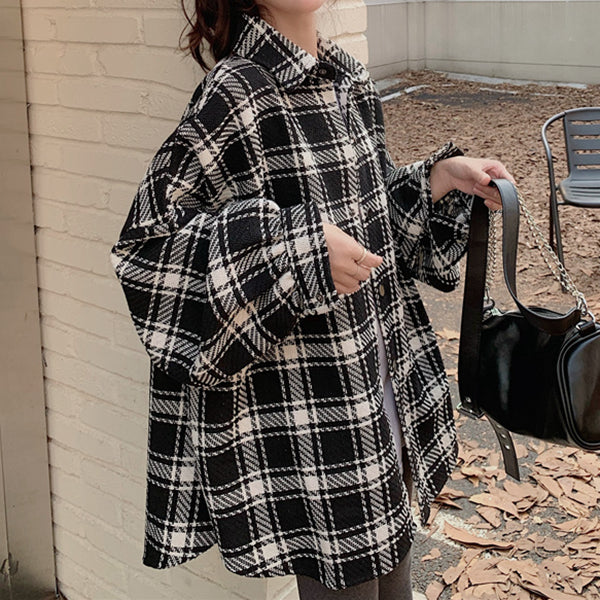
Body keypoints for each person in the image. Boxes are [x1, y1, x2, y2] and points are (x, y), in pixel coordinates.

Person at [110, 1, 513, 598]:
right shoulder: (237, 92)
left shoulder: (349, 79)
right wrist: (293, 250)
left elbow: (370, 224)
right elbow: (145, 251)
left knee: (397, 586)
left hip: (384, 396)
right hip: (317, 429)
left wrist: (437, 180)